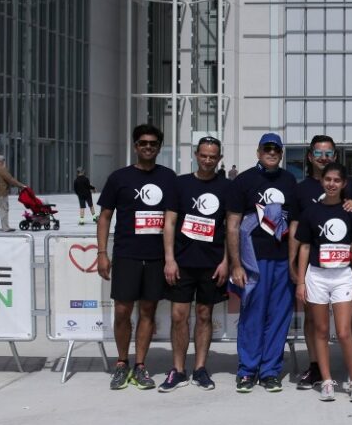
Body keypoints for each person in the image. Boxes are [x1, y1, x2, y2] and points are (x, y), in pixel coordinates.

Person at [96, 124, 177, 390]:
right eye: (143, 143)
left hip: (155, 257)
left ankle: (140, 365)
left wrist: (170, 257)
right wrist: (101, 253)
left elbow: (172, 219)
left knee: (148, 311)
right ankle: (122, 363)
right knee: (122, 311)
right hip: (126, 254)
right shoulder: (119, 178)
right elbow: (104, 217)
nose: (148, 147)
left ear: (159, 147)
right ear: (135, 146)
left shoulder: (168, 177)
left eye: (153, 143)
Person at [295, 135, 352, 393]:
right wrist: (299, 278)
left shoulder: (350, 202)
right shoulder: (306, 201)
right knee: (317, 327)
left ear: (343, 183)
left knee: (345, 330)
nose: (331, 183)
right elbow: (302, 243)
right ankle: (323, 376)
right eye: (327, 179)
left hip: (343, 275)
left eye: (336, 180)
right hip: (316, 275)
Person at [226, 132, 300, 393]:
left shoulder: (290, 180)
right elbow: (232, 225)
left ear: (281, 153)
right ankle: (247, 370)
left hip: (282, 260)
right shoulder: (243, 181)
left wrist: (293, 263)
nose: (271, 153)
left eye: (276, 149)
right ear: (258, 152)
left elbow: (294, 224)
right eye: (267, 149)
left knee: (279, 317)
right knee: (253, 315)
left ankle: (270, 371)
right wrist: (236, 265)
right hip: (253, 261)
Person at [160, 136, 231, 391]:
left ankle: (200, 369)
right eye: (203, 155)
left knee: (204, 315)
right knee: (178, 316)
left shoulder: (227, 187)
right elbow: (169, 223)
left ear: (219, 158)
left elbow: (230, 227)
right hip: (181, 263)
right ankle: (178, 370)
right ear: (196, 155)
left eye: (213, 156)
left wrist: (226, 262)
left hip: (212, 264)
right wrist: (169, 259)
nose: (208, 160)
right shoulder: (180, 184)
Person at [0, 153, 26, 232]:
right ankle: (5, 228)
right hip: (0, 194)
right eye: (3, 161)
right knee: (3, 211)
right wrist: (21, 186)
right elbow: (10, 179)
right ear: (1, 161)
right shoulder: (1, 168)